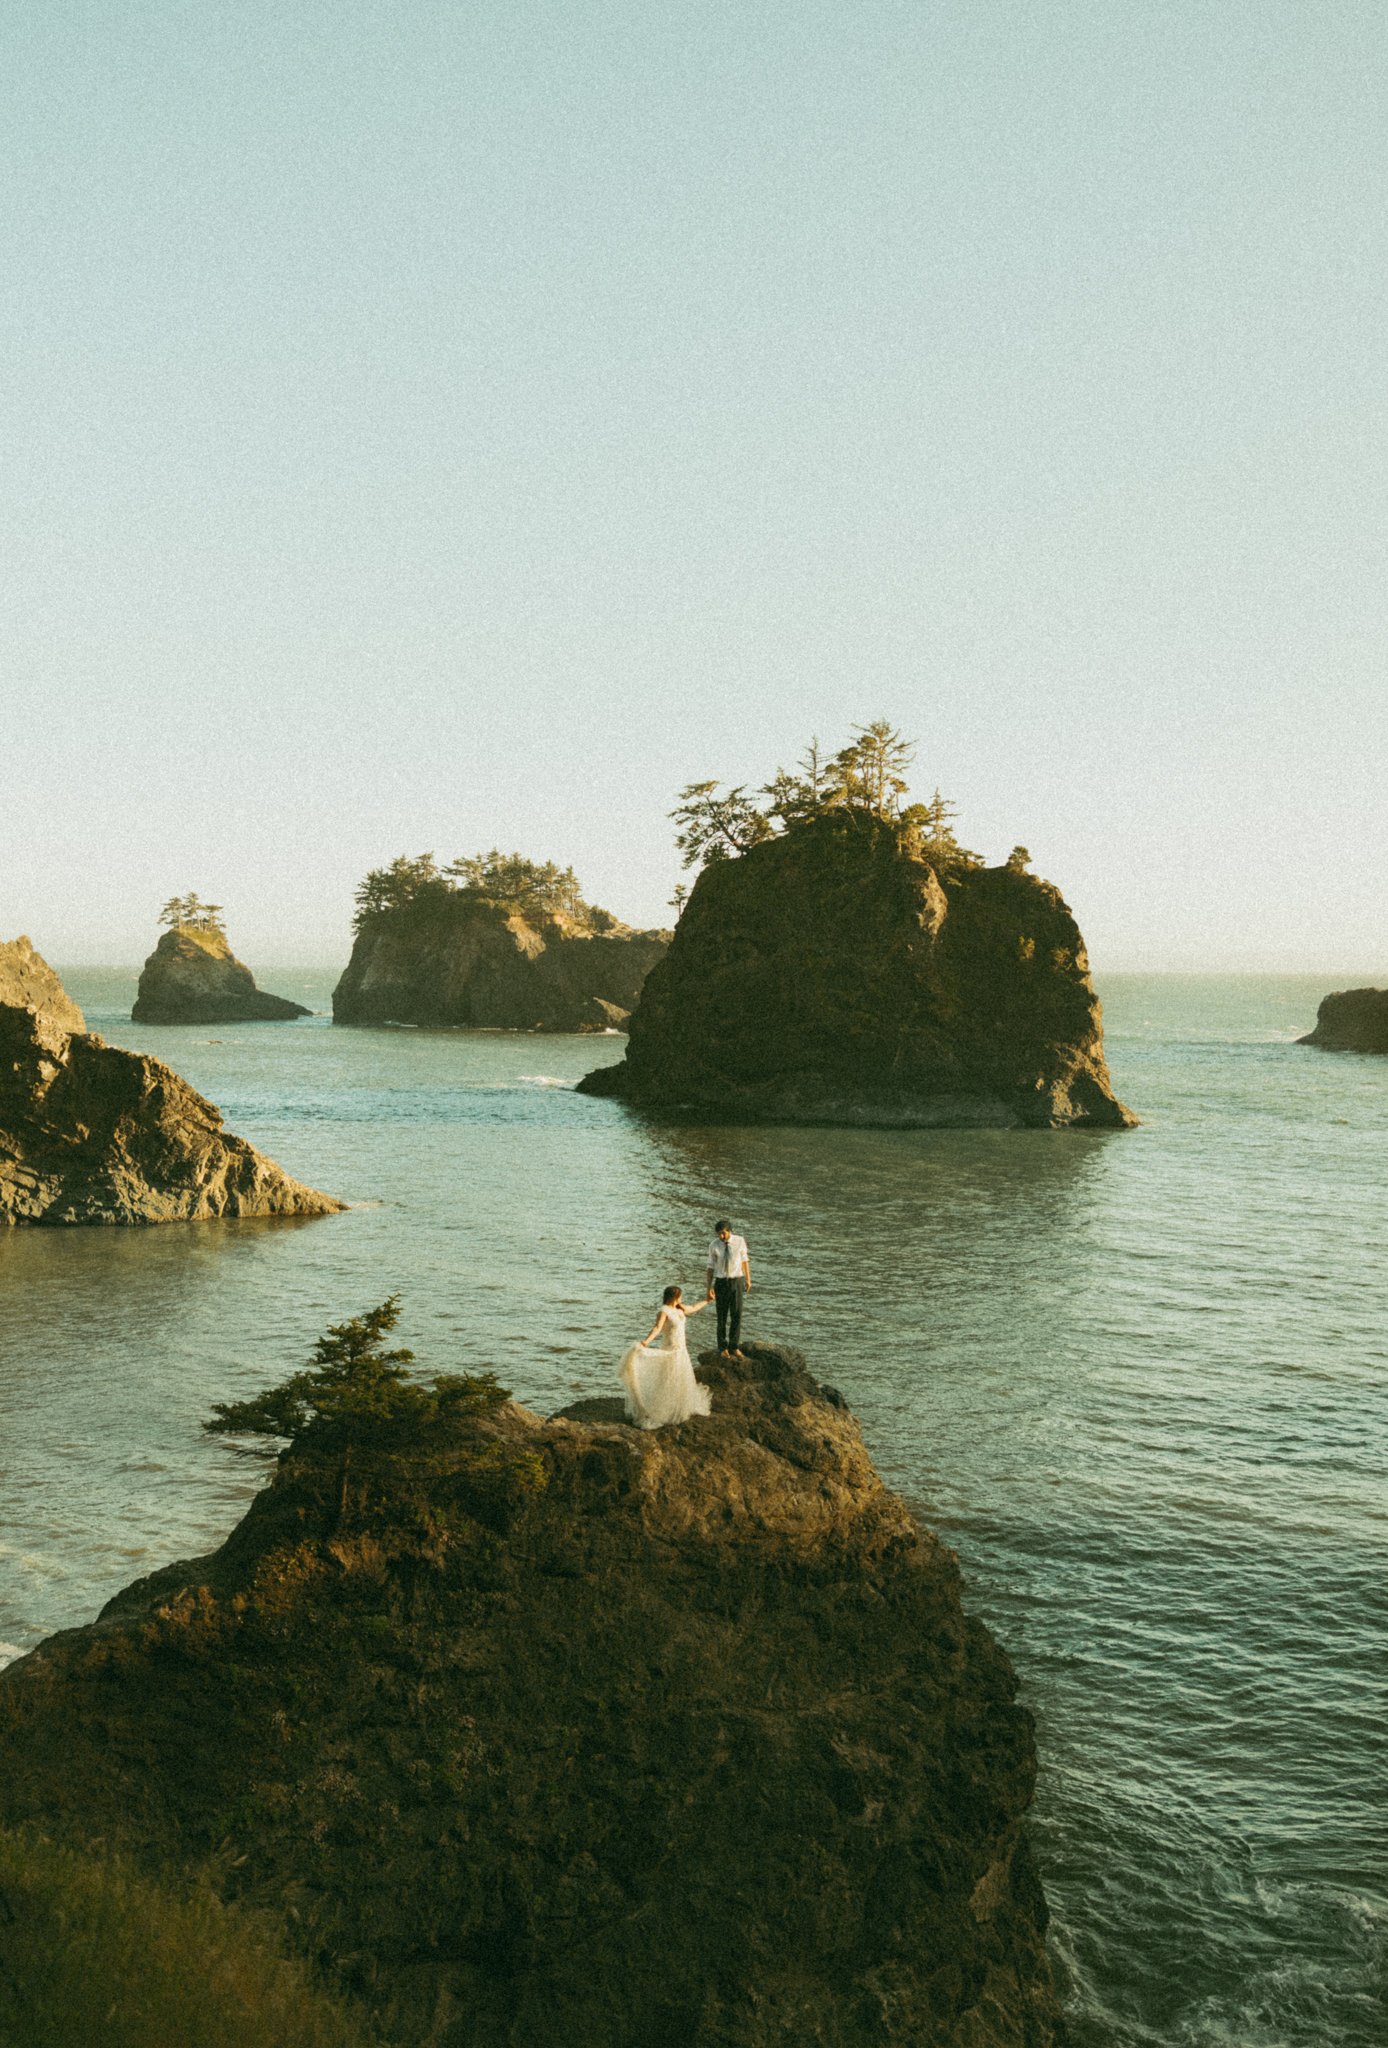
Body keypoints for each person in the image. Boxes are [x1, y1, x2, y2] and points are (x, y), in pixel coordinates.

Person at [618, 1285, 713, 1430]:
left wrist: (708, 1300)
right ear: (674, 1297)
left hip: (682, 1350)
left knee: (681, 1379)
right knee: (668, 1379)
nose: (681, 1298)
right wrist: (646, 1342)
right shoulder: (664, 1311)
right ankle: (662, 1409)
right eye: (680, 1296)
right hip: (671, 1349)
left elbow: (694, 1307)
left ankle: (679, 1406)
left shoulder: (680, 1309)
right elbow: (657, 1328)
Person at [705, 1218, 751, 1359]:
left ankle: (734, 1346)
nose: (721, 1236)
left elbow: (744, 1260)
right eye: (719, 1234)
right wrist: (709, 1287)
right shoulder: (714, 1245)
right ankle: (722, 1347)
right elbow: (710, 1267)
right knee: (722, 1316)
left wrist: (748, 1279)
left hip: (736, 1280)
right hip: (721, 1282)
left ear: (730, 1231)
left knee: (736, 1314)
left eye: (723, 1233)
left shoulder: (739, 1241)